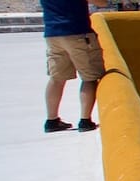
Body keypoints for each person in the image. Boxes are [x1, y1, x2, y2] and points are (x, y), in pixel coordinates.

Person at [41, 0, 110, 133]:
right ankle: (85, 120)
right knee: (89, 77)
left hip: (52, 35)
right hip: (77, 32)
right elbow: (102, 3)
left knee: (56, 79)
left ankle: (52, 120)